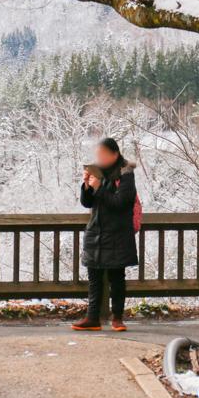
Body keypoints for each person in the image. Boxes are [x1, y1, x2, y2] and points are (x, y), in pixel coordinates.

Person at [72, 137, 138, 332]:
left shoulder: (125, 174)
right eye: (97, 155)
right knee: (94, 277)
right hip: (96, 231)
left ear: (114, 154)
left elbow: (121, 203)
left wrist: (99, 188)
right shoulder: (97, 173)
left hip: (117, 233)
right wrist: (86, 185)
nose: (99, 158)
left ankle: (117, 317)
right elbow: (87, 203)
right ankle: (92, 317)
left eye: (102, 154)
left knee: (117, 277)